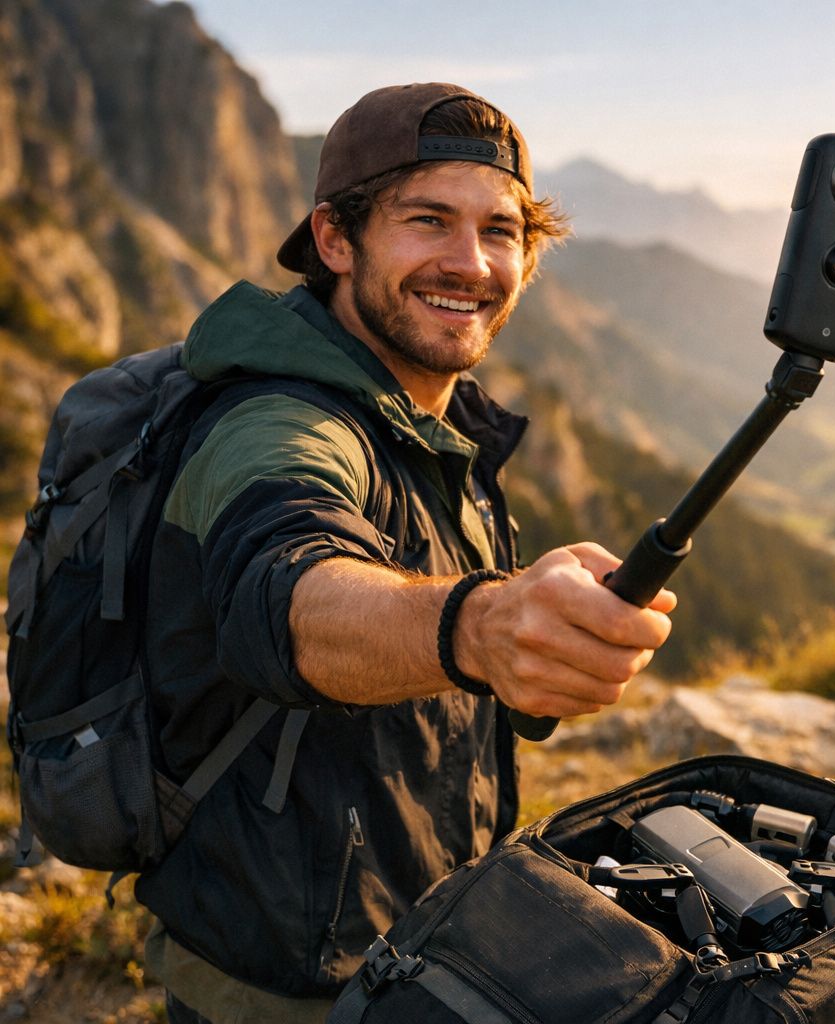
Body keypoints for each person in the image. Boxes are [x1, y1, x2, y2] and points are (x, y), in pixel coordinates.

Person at [134, 83, 676, 1023]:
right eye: (428, 220)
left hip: (407, 943)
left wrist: (524, 644)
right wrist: (481, 625)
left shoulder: (431, 414)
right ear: (336, 241)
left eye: (501, 230)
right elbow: (290, 592)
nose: (471, 264)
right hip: (277, 984)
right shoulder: (276, 420)